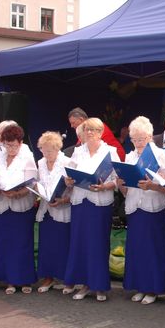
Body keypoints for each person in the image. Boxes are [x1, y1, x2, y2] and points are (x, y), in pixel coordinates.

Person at [116, 116, 165, 305]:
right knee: (137, 248)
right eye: (134, 139)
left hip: (154, 207)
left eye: (142, 139)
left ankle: (153, 289)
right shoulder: (130, 156)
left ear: (150, 137)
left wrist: (153, 184)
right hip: (135, 206)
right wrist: (120, 183)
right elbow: (126, 190)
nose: (138, 143)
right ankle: (140, 286)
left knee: (153, 248)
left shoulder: (160, 154)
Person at [64, 118, 119, 301]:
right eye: (87, 129)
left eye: (93, 130)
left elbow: (118, 179)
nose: (89, 133)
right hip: (80, 202)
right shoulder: (78, 151)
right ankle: (85, 284)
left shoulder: (110, 151)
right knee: (80, 243)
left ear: (101, 132)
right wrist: (68, 180)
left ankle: (100, 286)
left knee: (98, 243)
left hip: (100, 203)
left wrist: (105, 186)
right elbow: (68, 175)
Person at [0, 124, 38, 294]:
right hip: (2, 206)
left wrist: (17, 193)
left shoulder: (27, 158)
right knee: (4, 243)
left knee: (22, 243)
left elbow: (31, 184)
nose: (10, 149)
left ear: (21, 142)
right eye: (7, 145)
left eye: (14, 145)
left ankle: (24, 280)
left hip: (21, 207)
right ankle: (9, 280)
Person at [34, 132, 72, 293]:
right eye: (43, 150)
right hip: (46, 208)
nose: (46, 153)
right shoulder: (41, 163)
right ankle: (48, 278)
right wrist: (37, 189)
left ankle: (66, 279)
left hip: (62, 208)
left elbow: (74, 186)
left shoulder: (67, 162)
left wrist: (64, 199)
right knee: (46, 245)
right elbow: (38, 182)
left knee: (62, 244)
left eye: (49, 150)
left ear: (57, 148)